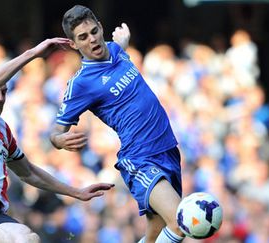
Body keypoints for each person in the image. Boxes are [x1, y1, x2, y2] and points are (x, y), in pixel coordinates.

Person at [0, 37, 114, 243]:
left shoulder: (3, 130)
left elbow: (28, 172)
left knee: (27, 239)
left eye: (3, 92)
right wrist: (32, 54)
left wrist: (75, 192)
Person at [50, 5, 186, 243]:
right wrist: (58, 139)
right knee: (180, 223)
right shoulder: (81, 84)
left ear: (101, 28)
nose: (92, 39)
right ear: (73, 44)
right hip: (141, 159)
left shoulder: (115, 50)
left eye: (94, 31)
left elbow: (115, 55)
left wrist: (123, 41)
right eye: (83, 37)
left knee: (155, 233)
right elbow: (55, 132)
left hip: (168, 149)